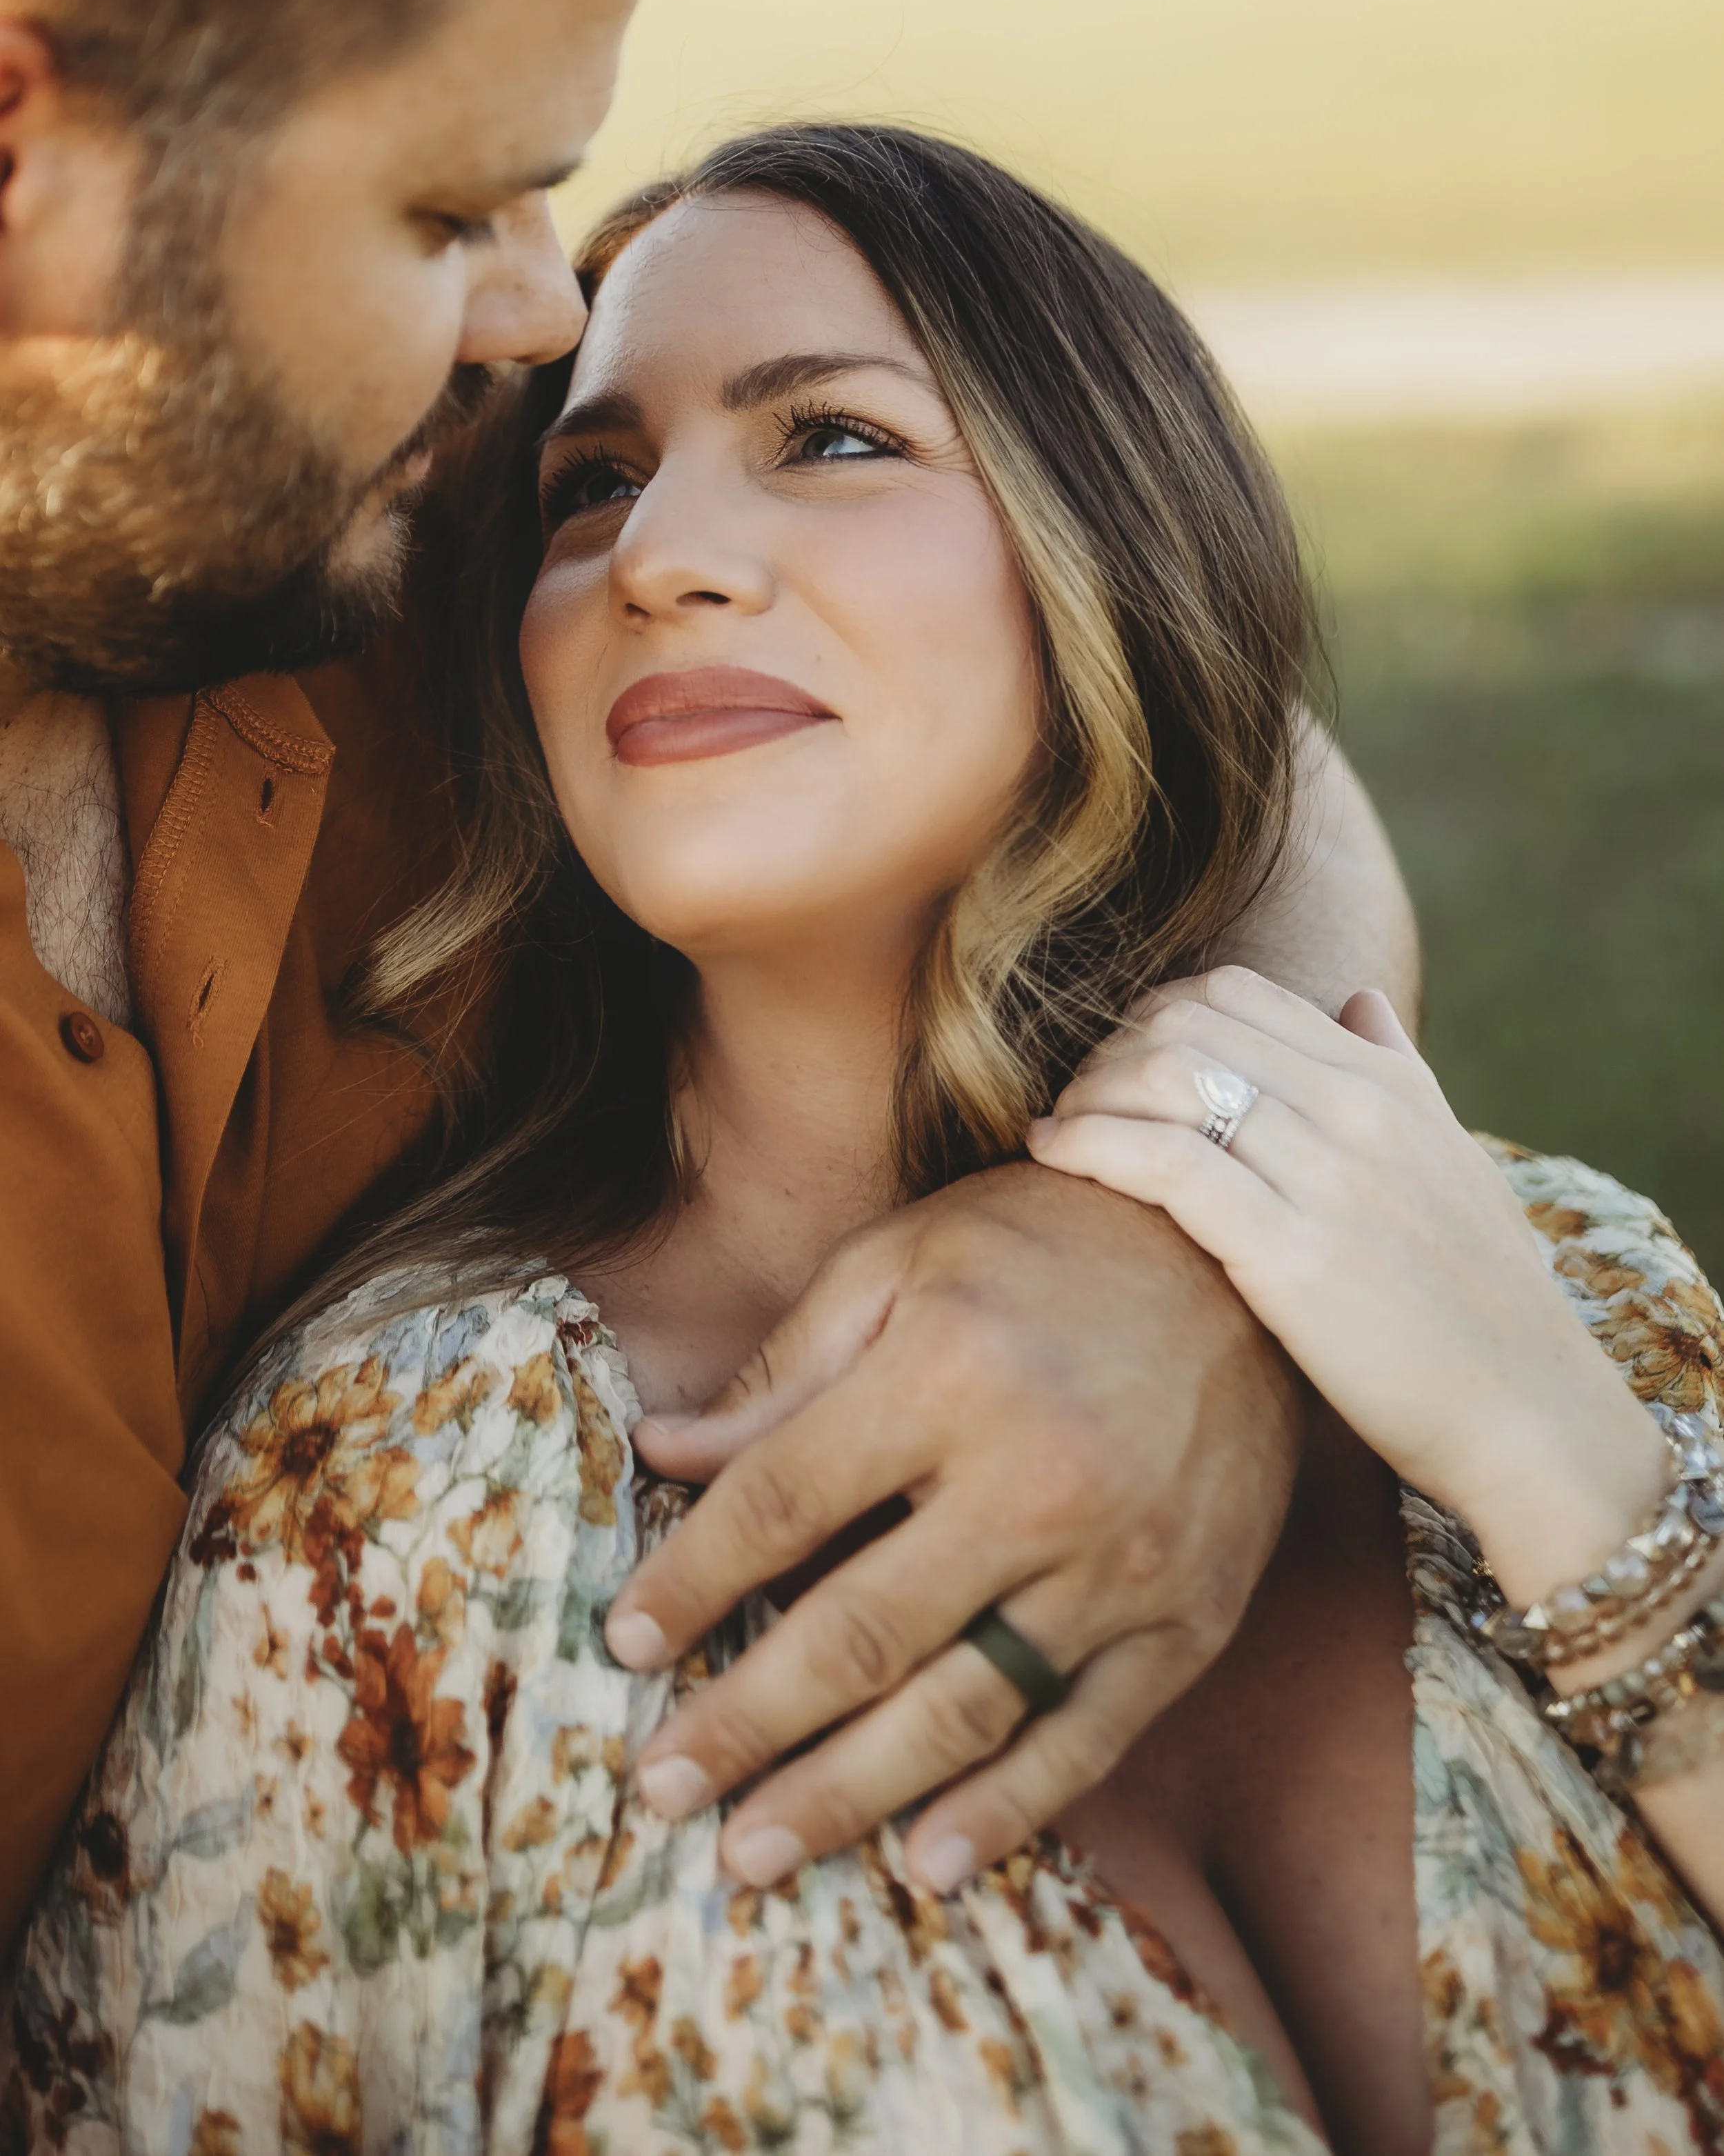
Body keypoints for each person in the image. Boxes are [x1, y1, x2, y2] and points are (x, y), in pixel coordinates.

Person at [14, 128, 1723, 2155]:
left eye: (827, 436)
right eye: (589, 485)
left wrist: (1557, 1464)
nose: (660, 554)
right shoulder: (407, 1493)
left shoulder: (1556, 1276)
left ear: (1112, 528)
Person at [0, 0, 1417, 1952]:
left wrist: (1163, 1234)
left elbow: (1205, 739)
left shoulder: (384, 567)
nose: (540, 315)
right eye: (448, 205)